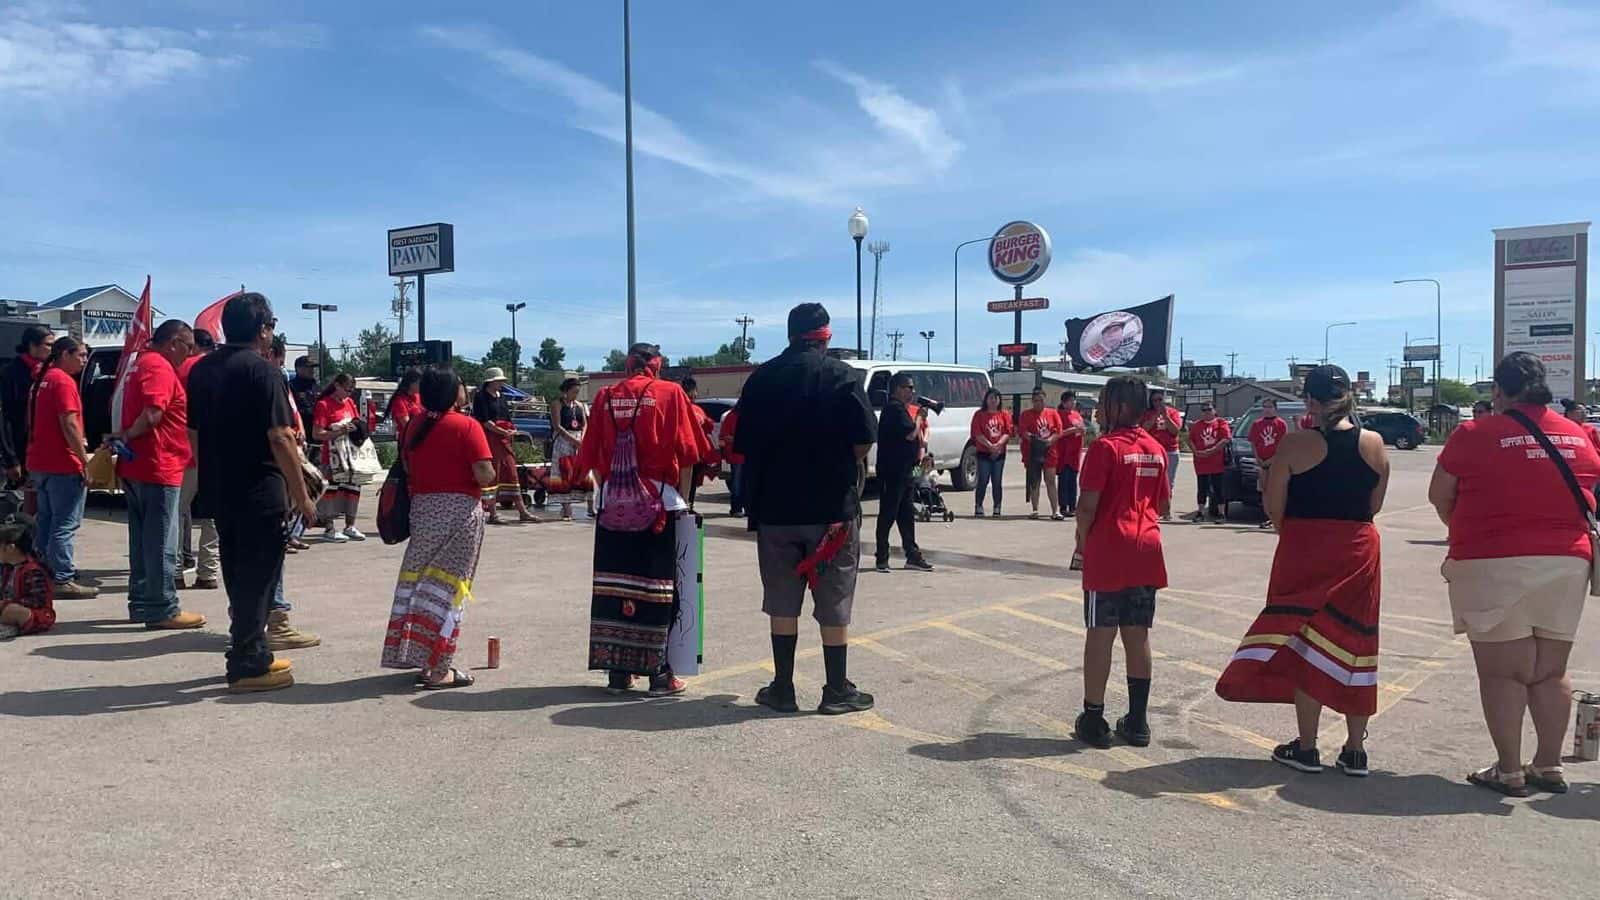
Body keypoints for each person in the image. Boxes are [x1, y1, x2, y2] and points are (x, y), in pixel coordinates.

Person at [1429, 352, 1599, 796]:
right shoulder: (1577, 434)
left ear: (1498, 392)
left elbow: (1439, 494)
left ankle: (1508, 770)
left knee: (1504, 673)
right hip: (1567, 561)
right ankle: (1548, 764)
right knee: (1550, 670)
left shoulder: (1475, 433)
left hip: (1493, 559)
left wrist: (1466, 529)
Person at [1216, 365, 1389, 777]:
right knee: (1356, 643)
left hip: (1305, 547)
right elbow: (1375, 505)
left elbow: (1275, 509)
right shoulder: (1374, 443)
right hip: (1359, 549)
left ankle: (1307, 748)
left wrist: (1297, 533)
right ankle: (1354, 751)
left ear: (1308, 401)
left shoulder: (1294, 445)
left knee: (1304, 641)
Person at [735, 302, 878, 714]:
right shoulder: (842, 376)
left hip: (775, 509)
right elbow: (863, 441)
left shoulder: (761, 378)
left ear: (790, 334)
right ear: (826, 336)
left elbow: (742, 445)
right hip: (831, 509)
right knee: (834, 597)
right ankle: (836, 690)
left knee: (782, 597)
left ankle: (783, 687)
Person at [188, 292, 318, 693]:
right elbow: (280, 436)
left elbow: (193, 434)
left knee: (237, 571)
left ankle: (252, 648)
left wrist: (207, 473)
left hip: (220, 486)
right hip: (259, 488)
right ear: (263, 329)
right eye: (272, 326)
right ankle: (246, 661)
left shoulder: (201, 370)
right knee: (260, 577)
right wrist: (302, 494)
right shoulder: (264, 373)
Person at [574, 342, 710, 697]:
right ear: (656, 366)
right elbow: (690, 453)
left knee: (614, 585)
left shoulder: (604, 397)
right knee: (661, 588)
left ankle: (618, 672)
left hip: (612, 505)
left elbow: (591, 454)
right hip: (659, 503)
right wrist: (685, 501)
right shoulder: (670, 393)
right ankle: (660, 675)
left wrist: (616, 492)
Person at [1072, 376, 1169, 748]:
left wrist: (1082, 541)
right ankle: (1138, 721)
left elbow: (1086, 507)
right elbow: (1162, 504)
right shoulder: (1155, 449)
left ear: (1121, 407)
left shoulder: (1105, 448)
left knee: (1100, 633)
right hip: (1147, 545)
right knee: (1137, 633)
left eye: (1104, 402)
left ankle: (1094, 718)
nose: (1098, 408)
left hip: (1110, 546)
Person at [383, 369, 495, 689]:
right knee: (449, 590)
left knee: (422, 585)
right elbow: (484, 473)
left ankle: (418, 655)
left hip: (423, 511)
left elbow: (407, 466)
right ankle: (438, 668)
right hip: (459, 514)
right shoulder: (466, 425)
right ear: (451, 392)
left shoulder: (415, 424)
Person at [116, 320, 206, 630]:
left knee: (142, 541)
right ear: (173, 343)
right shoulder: (159, 367)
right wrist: (128, 435)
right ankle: (162, 607)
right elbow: (153, 413)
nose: (190, 352)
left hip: (139, 465)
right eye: (188, 346)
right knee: (161, 542)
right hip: (158, 464)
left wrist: (125, 437)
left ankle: (142, 603)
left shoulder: (141, 364)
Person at [26, 336, 96, 599]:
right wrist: (83, 461)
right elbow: (68, 424)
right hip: (61, 463)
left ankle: (43, 572)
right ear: (64, 354)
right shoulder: (63, 382)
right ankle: (62, 578)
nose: (84, 360)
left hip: (40, 462)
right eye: (80, 355)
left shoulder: (41, 381)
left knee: (46, 520)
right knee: (64, 523)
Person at [874, 373, 932, 572]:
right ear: (898, 388)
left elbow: (917, 441)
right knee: (888, 513)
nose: (912, 391)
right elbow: (910, 434)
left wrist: (921, 467)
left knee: (906, 514)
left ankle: (912, 555)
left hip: (908, 471)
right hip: (894, 472)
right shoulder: (894, 409)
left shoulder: (902, 410)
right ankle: (881, 557)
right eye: (909, 387)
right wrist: (919, 418)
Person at [178, 329, 221, 586]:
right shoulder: (221, 369)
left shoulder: (182, 368)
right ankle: (208, 571)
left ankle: (174, 570)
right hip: (217, 449)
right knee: (212, 515)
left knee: (177, 511)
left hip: (184, 449)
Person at [471, 367, 538, 525]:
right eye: (499, 381)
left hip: (504, 439)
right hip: (490, 439)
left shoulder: (502, 397)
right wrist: (501, 431)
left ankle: (522, 511)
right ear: (491, 381)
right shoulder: (481, 397)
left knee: (511, 471)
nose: (501, 383)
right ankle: (493, 513)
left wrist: (511, 430)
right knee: (494, 472)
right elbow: (484, 421)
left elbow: (507, 417)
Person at [1, 325, 53, 509]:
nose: (52, 350)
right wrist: (10, 458)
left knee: (38, 505)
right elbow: (5, 417)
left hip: (37, 449)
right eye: (48, 345)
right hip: (15, 449)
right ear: (32, 345)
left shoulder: (46, 372)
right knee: (13, 507)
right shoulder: (11, 373)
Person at [312, 372, 366, 541]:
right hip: (333, 456)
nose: (349, 394)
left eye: (351, 391)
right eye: (347, 390)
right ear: (337, 386)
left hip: (350, 455)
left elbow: (357, 422)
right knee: (331, 492)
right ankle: (329, 527)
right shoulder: (324, 404)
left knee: (352, 488)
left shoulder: (350, 402)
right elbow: (317, 434)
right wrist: (339, 430)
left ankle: (350, 525)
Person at [0, 515, 54, 640]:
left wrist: (6, 604)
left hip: (35, 615)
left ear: (10, 548)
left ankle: (11, 628)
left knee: (12, 611)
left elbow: (37, 600)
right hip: (6, 608)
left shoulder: (33, 570)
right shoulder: (7, 567)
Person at [1018, 388, 1064, 520]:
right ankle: (1035, 509)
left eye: (1041, 400)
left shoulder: (1052, 413)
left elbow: (1058, 431)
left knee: (1050, 480)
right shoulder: (1026, 415)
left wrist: (1050, 440)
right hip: (1033, 451)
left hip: (1049, 451)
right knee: (1035, 481)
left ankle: (1055, 510)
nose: (1039, 403)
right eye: (1036, 401)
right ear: (1032, 401)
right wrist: (1033, 440)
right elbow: (1023, 431)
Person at [549, 376, 591, 521]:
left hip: (579, 440)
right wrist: (572, 440)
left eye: (577, 392)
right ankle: (566, 509)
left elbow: (585, 424)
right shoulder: (557, 404)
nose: (575, 395)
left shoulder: (580, 405)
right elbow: (557, 426)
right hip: (563, 441)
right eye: (573, 392)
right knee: (564, 473)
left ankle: (590, 507)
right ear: (566, 391)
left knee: (584, 472)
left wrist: (582, 439)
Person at [970, 387, 1012, 517]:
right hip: (984, 452)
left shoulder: (1004, 414)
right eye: (991, 398)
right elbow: (977, 433)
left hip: (999, 453)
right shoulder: (979, 414)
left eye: (996, 398)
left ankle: (997, 506)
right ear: (986, 399)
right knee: (983, 479)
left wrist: (998, 445)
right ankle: (978, 505)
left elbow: (1008, 432)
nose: (993, 400)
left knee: (997, 480)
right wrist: (989, 445)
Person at [1248, 399, 1289, 529]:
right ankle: (1268, 517)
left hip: (1276, 463)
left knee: (1276, 491)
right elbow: (1253, 443)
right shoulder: (1256, 424)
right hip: (1261, 463)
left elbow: (1283, 445)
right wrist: (1258, 458)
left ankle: (1278, 516)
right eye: (1264, 407)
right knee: (1264, 491)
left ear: (1275, 408)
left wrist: (1272, 459)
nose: (1267, 409)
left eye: (1270, 407)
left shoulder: (1281, 424)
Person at [1186, 402, 1231, 522]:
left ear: (1214, 410)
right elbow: (1190, 439)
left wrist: (1212, 450)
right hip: (1201, 462)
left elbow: (1225, 438)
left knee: (1218, 488)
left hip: (1217, 462)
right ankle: (1200, 512)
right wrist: (1195, 451)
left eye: (1209, 409)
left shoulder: (1221, 422)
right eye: (1204, 410)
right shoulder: (1197, 425)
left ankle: (1221, 514)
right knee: (1202, 488)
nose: (1206, 412)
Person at [1140, 388, 1183, 503]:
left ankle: (1166, 507)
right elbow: (1143, 430)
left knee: (1168, 480)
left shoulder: (1173, 412)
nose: (1157, 403)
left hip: (1170, 451)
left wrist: (1166, 416)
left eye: (1160, 399)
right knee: (1151, 480)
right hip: (1151, 451)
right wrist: (1155, 416)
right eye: (1154, 400)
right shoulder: (1147, 413)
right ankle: (1151, 504)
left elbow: (1175, 431)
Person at [1056, 391, 1087, 518]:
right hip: (1064, 452)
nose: (1072, 403)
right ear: (1063, 402)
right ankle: (1063, 506)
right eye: (1070, 400)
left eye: (1073, 400)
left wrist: (1082, 430)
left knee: (1073, 481)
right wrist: (1072, 430)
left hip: (1075, 453)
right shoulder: (1059, 415)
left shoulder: (1076, 414)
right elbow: (1058, 432)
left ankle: (1072, 506)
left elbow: (1082, 428)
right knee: (1064, 480)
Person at [719, 401, 746, 517]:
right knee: (737, 484)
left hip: (746, 456)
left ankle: (744, 508)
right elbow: (725, 436)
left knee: (744, 484)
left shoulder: (747, 416)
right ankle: (736, 508)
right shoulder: (730, 417)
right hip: (736, 457)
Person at [384, 369, 424, 434]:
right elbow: (407, 425)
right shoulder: (399, 400)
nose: (422, 386)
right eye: (420, 383)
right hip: (408, 439)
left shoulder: (418, 396)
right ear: (411, 383)